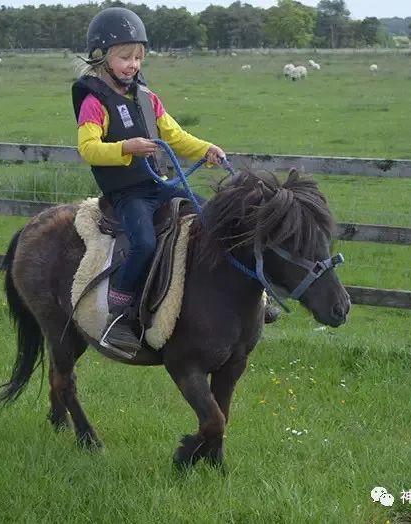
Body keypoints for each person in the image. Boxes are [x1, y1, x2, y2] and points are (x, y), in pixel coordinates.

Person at [72, 7, 278, 358]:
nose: (133, 64)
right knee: (144, 244)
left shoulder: (147, 97)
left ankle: (254, 294)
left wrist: (206, 148)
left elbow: (175, 135)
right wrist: (126, 147)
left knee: (214, 218)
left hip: (158, 186)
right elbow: (88, 148)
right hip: (127, 193)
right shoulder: (94, 102)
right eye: (125, 57)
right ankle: (119, 316)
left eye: (138, 57)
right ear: (102, 57)